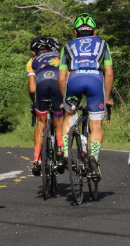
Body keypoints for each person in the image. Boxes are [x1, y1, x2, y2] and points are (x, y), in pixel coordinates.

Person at [57, 13, 113, 182]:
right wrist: (108, 97)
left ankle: (66, 153)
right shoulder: (103, 44)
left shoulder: (67, 46)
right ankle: (93, 158)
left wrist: (64, 100)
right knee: (96, 125)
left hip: (74, 79)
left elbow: (61, 78)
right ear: (94, 31)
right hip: (96, 79)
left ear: (75, 32)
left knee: (68, 115)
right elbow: (109, 73)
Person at [27, 36, 64, 176]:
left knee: (41, 123)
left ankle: (37, 160)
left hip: (42, 86)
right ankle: (60, 148)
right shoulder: (61, 56)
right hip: (57, 83)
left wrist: (33, 101)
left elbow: (32, 89)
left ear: (35, 51)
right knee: (59, 120)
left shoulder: (32, 61)